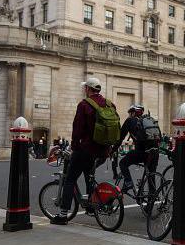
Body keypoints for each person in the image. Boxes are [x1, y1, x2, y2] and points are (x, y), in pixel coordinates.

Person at [50, 78, 117, 225]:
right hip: (103, 151)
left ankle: (62, 215)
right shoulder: (110, 104)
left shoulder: (84, 105)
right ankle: (91, 207)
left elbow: (77, 129)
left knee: (70, 179)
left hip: (86, 150)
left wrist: (73, 148)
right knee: (89, 176)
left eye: (85, 88)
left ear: (88, 88)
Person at [113, 104, 158, 193]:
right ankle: (151, 199)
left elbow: (120, 138)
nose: (129, 115)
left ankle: (128, 182)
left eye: (130, 113)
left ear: (133, 113)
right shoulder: (150, 121)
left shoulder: (130, 120)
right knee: (151, 176)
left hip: (142, 152)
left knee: (123, 163)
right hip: (154, 152)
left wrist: (113, 150)